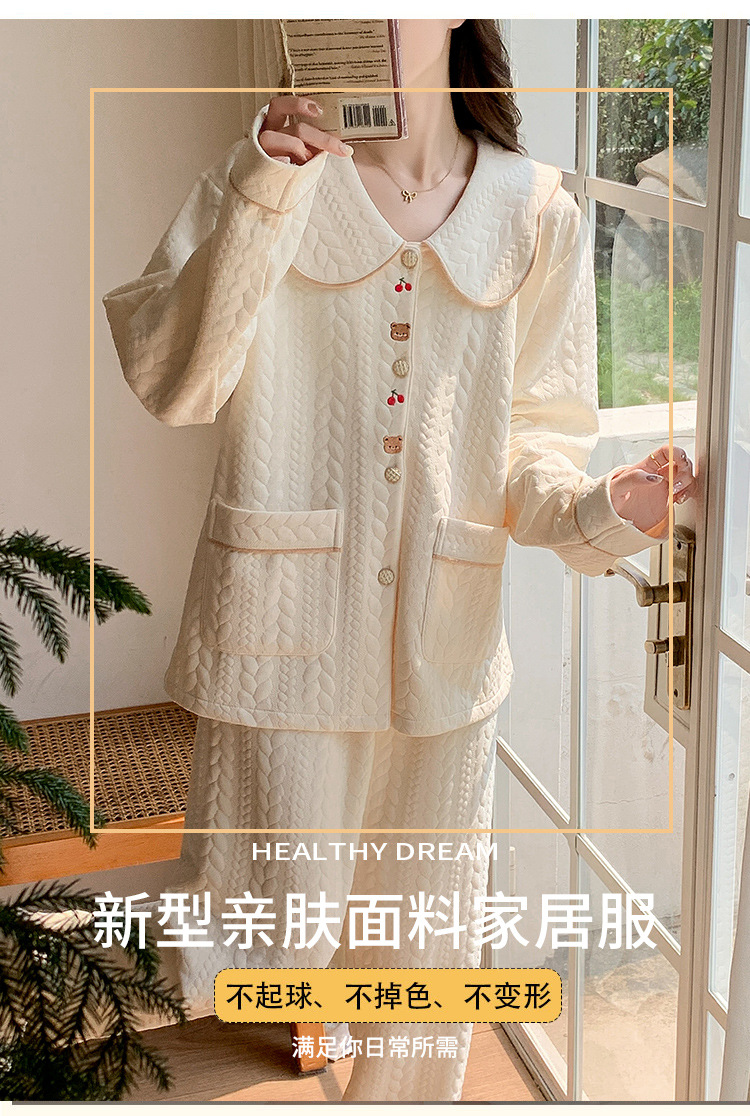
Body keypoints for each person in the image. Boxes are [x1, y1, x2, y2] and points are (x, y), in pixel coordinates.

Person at [102, 18, 695, 1103]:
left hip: (443, 649)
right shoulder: (271, 175)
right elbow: (173, 381)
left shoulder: (537, 212)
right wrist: (261, 189)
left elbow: (534, 443)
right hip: (279, 637)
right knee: (262, 931)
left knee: (423, 961)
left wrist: (601, 508)